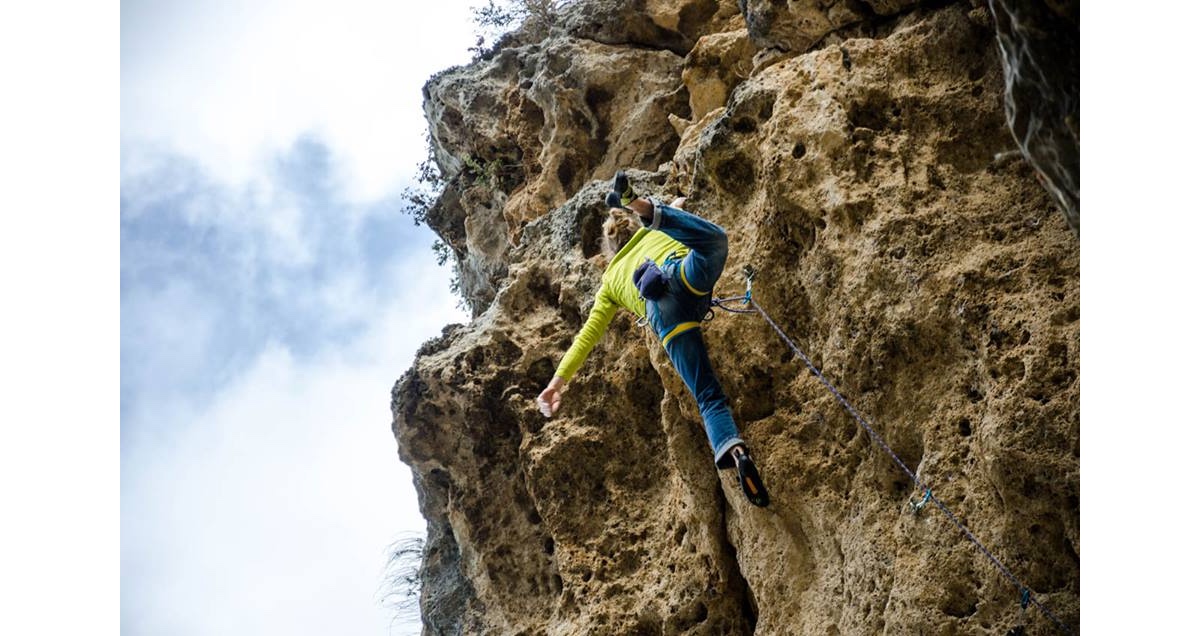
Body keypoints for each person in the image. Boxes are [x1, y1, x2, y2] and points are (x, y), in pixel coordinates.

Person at [536, 172, 769, 507]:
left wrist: (555, 385)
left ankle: (736, 452)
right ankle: (643, 206)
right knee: (715, 241)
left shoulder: (610, 279)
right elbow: (680, 205)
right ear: (634, 226)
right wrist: (671, 205)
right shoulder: (654, 231)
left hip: (663, 314)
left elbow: (587, 336)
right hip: (682, 276)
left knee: (708, 397)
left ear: (609, 252)